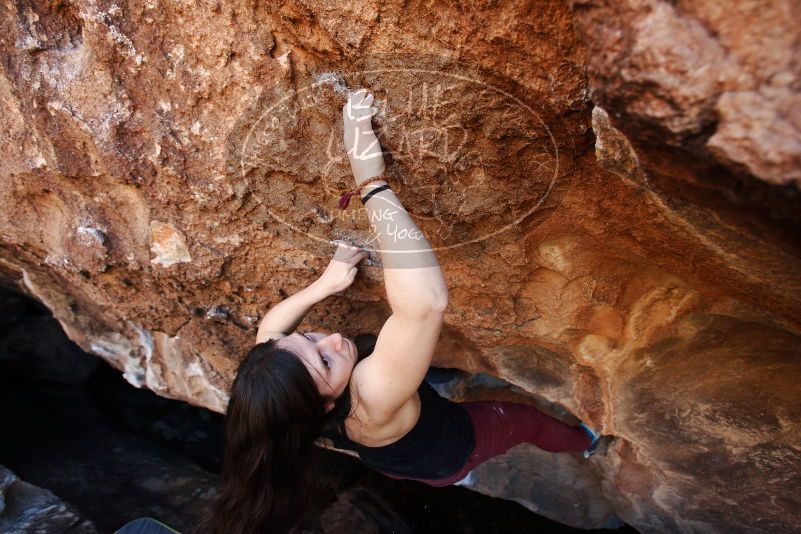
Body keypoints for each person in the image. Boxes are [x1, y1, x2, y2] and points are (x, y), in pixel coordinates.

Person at [200, 89, 601, 534]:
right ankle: (585, 441)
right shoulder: (373, 393)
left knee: (410, 426)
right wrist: (370, 182)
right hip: (451, 448)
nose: (332, 339)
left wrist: (325, 285)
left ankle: (439, 444)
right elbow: (425, 306)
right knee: (521, 421)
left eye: (310, 338)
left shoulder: (292, 403)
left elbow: (271, 330)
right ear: (330, 402)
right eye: (327, 360)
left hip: (392, 459)